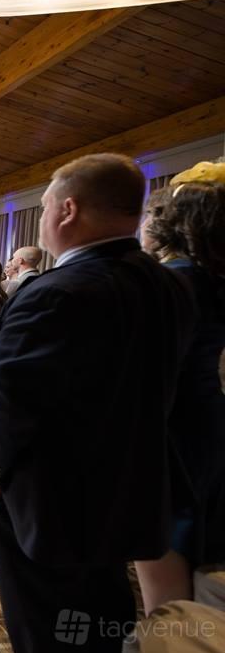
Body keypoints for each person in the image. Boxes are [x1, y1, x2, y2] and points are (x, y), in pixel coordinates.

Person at [0, 153, 195, 653]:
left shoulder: (55, 292)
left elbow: (10, 401)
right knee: (102, 613)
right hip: (130, 481)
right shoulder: (167, 284)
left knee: (46, 625)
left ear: (67, 210)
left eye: (46, 205)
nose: (45, 216)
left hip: (53, 496)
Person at [135, 175, 225, 613]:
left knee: (162, 541)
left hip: (165, 422)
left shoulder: (168, 282)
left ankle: (170, 633)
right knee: (196, 536)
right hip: (207, 416)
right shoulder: (212, 279)